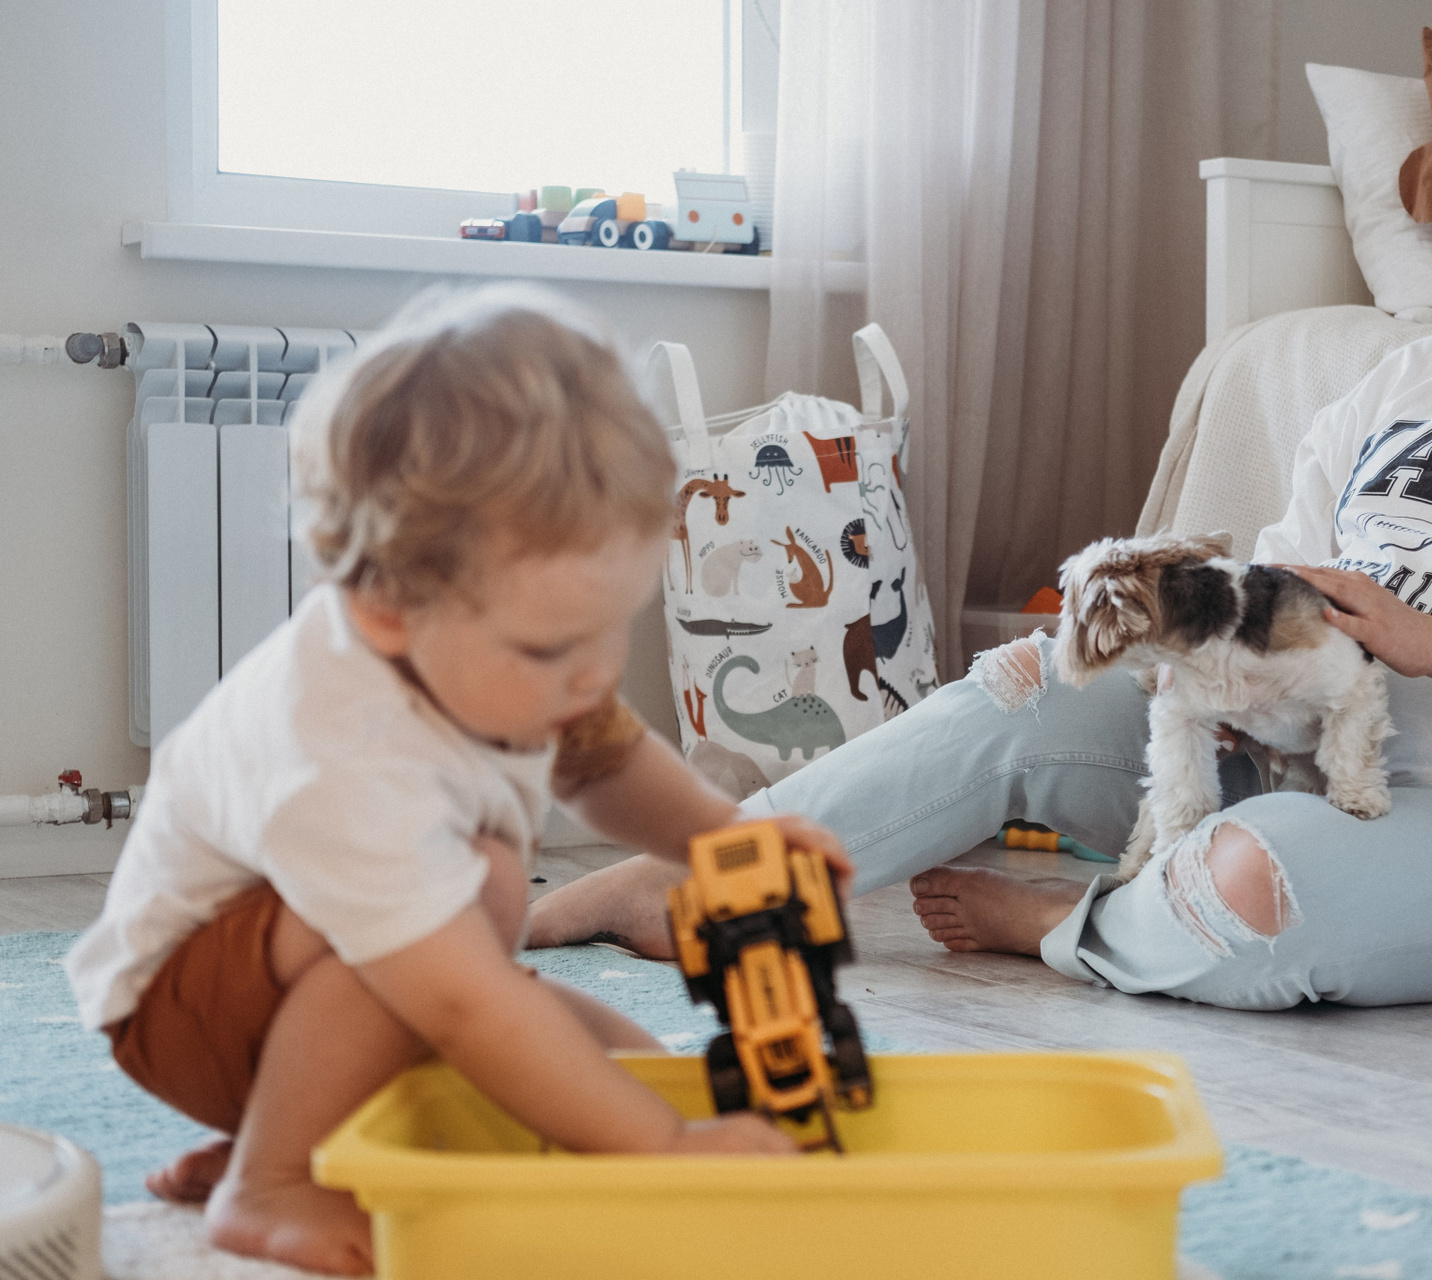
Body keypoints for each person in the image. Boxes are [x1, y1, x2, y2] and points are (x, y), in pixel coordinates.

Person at [529, 37, 1432, 1015]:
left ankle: (1067, 924)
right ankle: (698, 878)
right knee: (1026, 685)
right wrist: (1202, 664)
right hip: (1303, 750)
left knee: (1261, 872)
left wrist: (1430, 642)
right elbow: (1284, 576)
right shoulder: (1412, 375)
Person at [64, 286, 848, 1276]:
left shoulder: (505, 652)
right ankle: (272, 1178)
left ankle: (317, 1127)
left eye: (612, 626)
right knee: (491, 960)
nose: (592, 675)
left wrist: (724, 836)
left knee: (626, 1064)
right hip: (185, 1011)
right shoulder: (340, 744)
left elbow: (607, 761)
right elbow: (463, 1004)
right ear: (385, 608)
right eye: (553, 646)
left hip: (327, 976)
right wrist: (662, 1147)